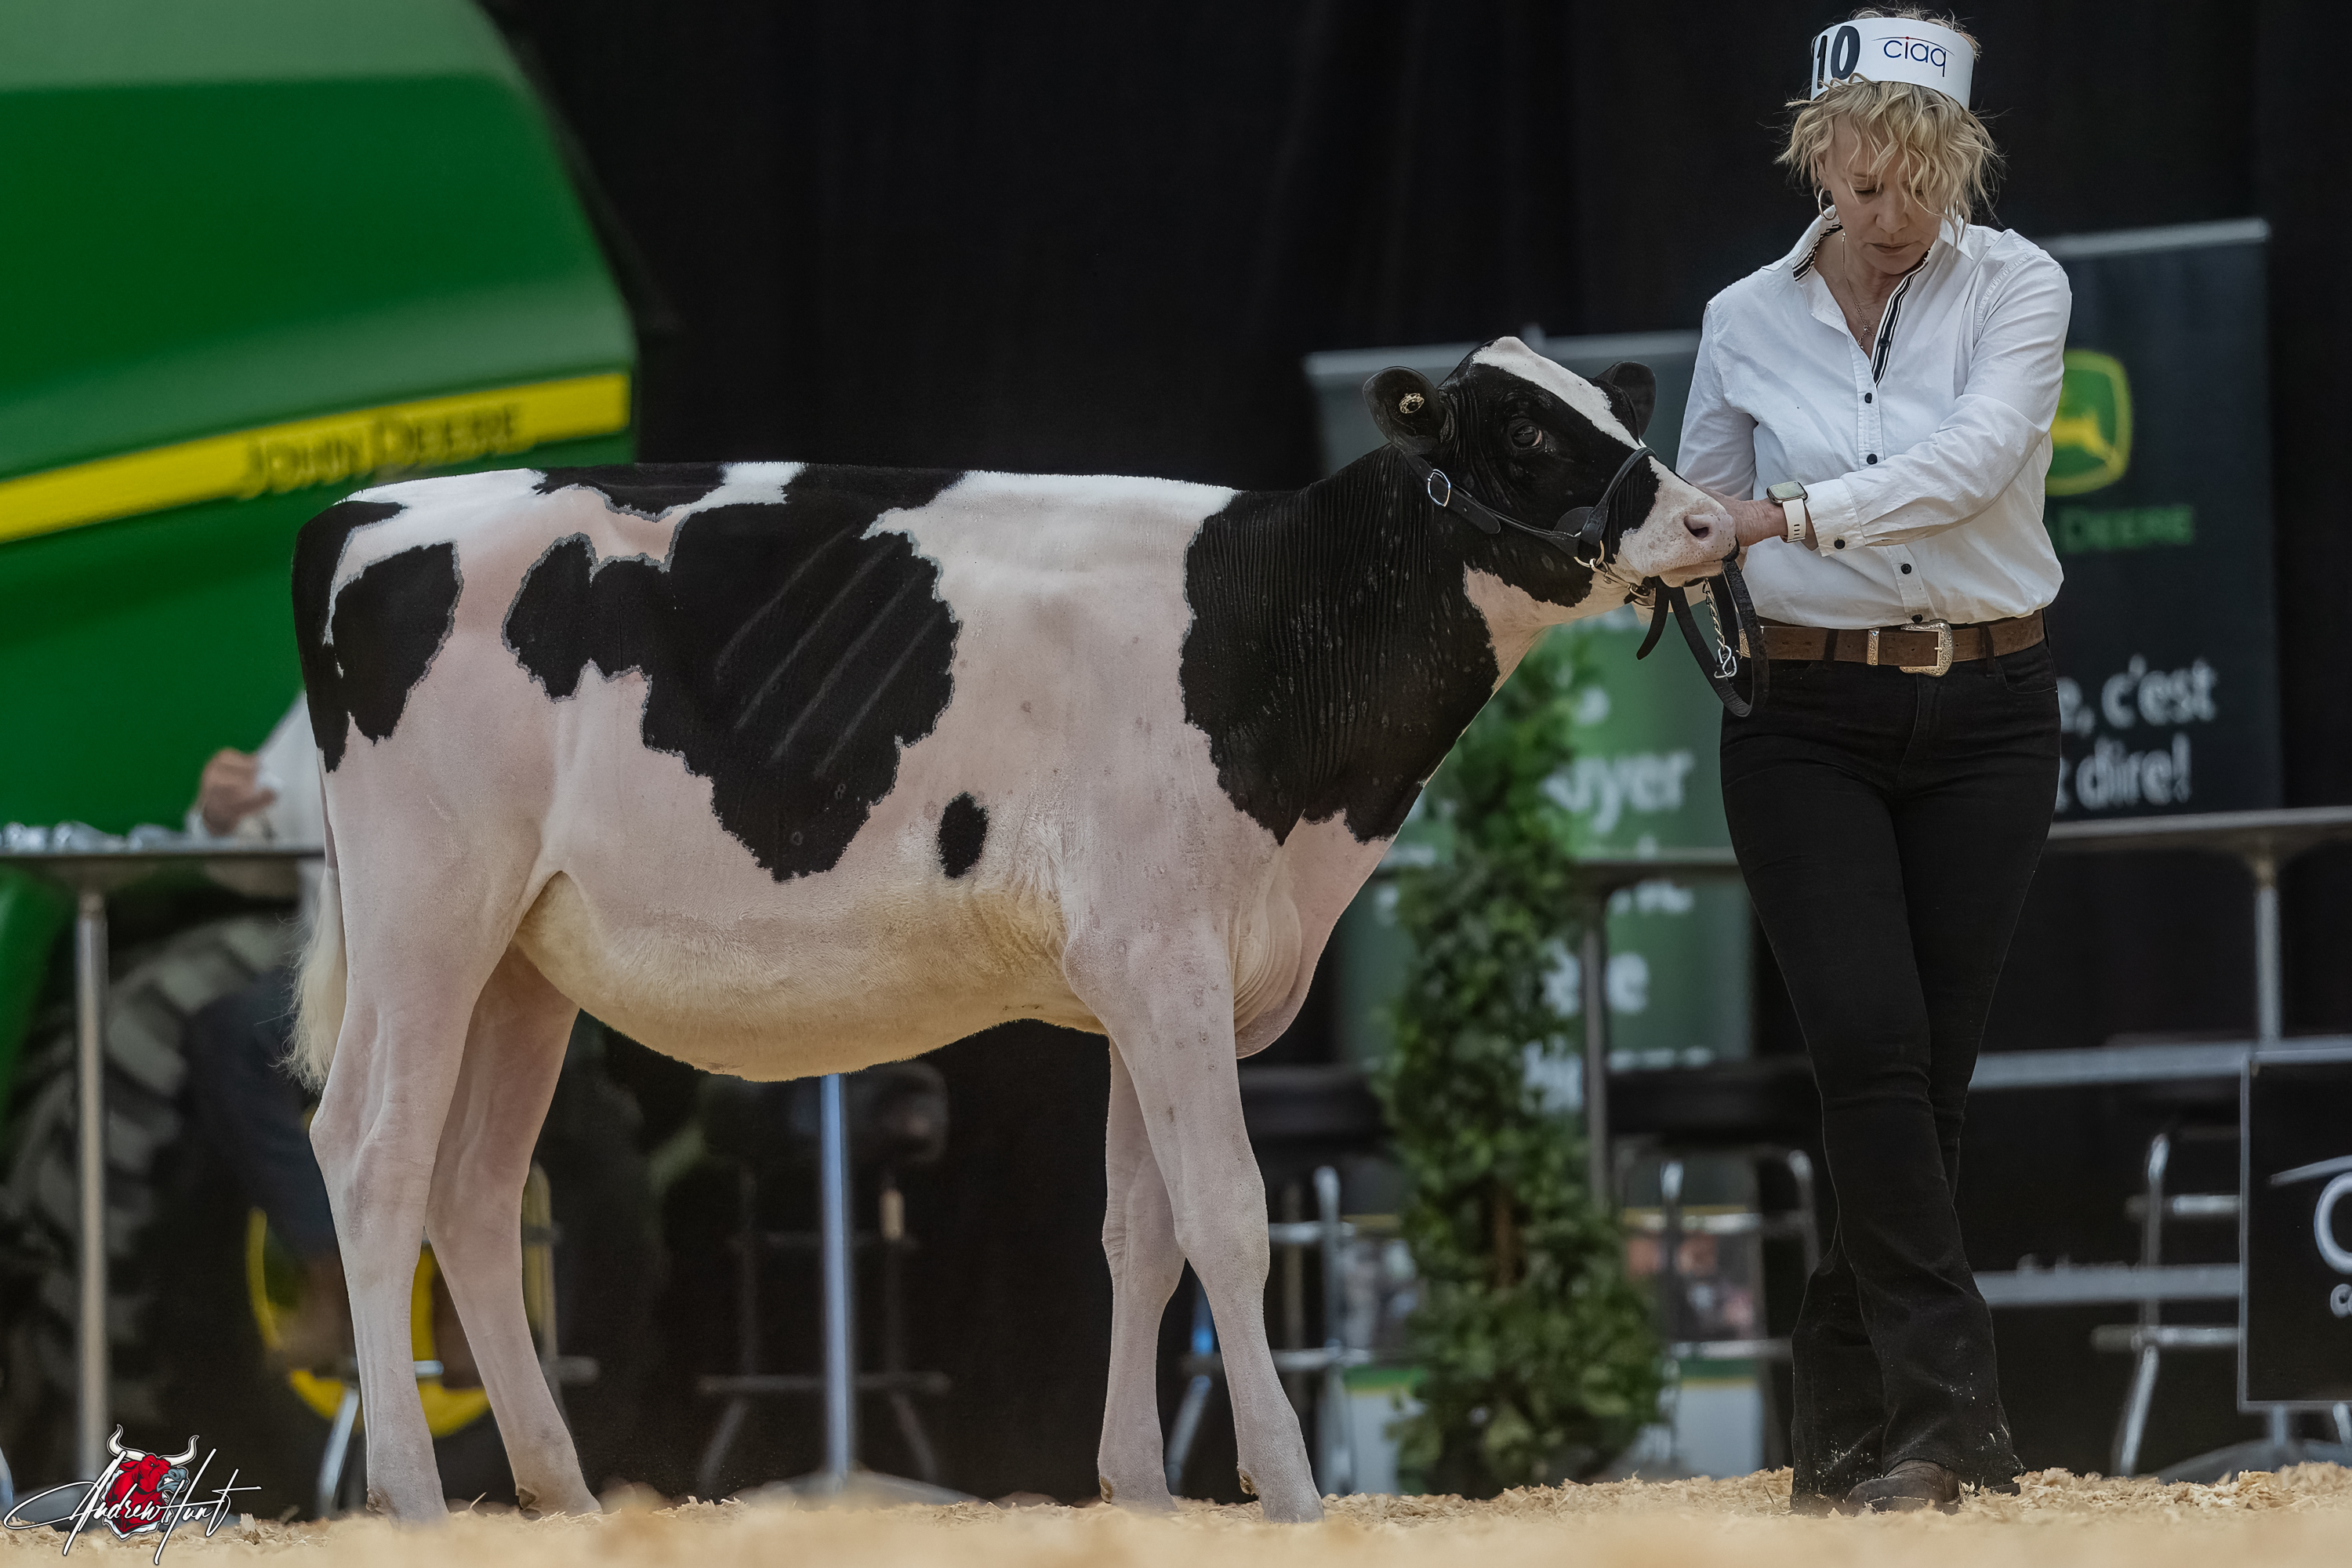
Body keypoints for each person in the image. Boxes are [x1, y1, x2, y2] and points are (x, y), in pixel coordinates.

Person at [1678, 9, 2068, 1514]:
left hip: (1990, 710)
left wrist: (1788, 519)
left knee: (1925, 1081)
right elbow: (1704, 509)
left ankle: (1842, 1430)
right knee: (1866, 1050)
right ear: (1818, 151)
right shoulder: (1741, 318)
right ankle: (1954, 1422)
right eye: (1864, 176)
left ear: (1959, 159)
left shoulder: (2020, 285)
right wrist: (1672, 556)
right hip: (1805, 720)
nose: (1892, 207)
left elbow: (1973, 465)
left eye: (1922, 178)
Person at [183, 698, 477, 1385]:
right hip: (341, 988)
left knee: (508, 1045)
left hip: (463, 980)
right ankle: (330, 1270)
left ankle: (469, 1289)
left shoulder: (478, 683)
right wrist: (220, 815)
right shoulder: (327, 694)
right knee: (230, 1038)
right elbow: (257, 840)